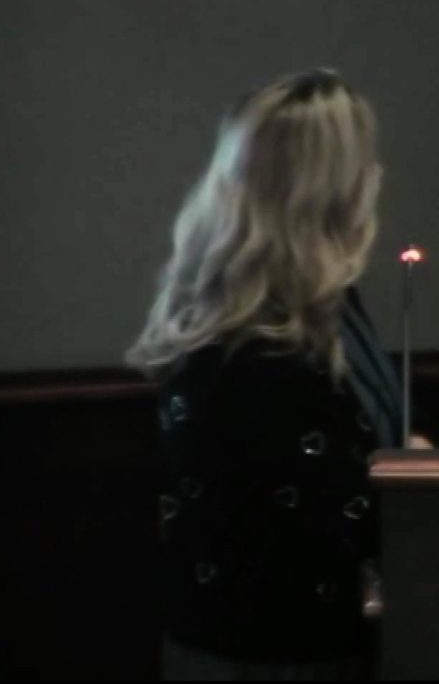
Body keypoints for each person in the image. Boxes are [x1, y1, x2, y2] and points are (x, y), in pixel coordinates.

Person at [127, 69, 406, 679]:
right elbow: (318, 519)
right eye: (363, 163)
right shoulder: (250, 345)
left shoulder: (323, 308)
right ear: (326, 191)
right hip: (265, 656)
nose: (378, 176)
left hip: (300, 641)